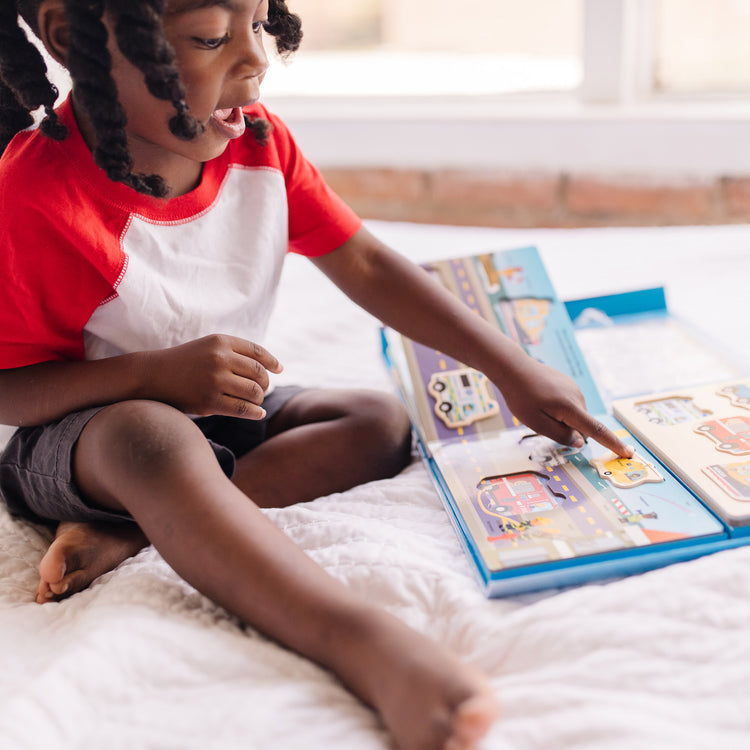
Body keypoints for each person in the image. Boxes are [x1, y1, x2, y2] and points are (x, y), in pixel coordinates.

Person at [0, 1, 632, 748]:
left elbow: (364, 261)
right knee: (153, 436)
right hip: (81, 443)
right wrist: (150, 375)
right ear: (75, 39)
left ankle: (139, 532)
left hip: (219, 417)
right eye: (210, 37)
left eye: (261, 24)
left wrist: (511, 369)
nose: (255, 59)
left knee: (377, 421)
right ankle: (365, 643)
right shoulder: (33, 196)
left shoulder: (259, 146)